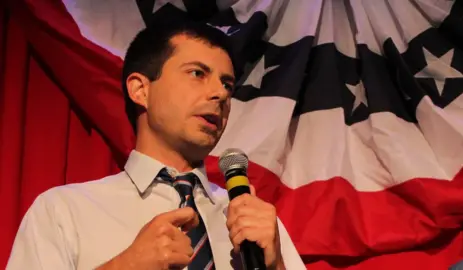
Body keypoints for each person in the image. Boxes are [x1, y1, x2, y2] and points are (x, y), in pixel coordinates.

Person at [6, 20, 306, 270]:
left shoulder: (254, 222)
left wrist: (277, 263)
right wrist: (125, 266)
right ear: (140, 90)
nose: (220, 93)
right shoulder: (63, 211)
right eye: (197, 74)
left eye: (227, 84)